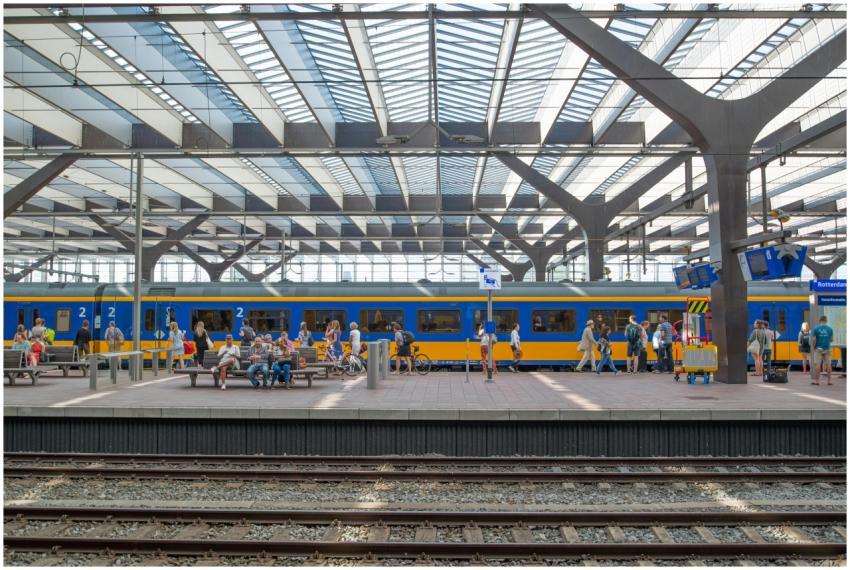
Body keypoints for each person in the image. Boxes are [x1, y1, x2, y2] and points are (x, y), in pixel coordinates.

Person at [811, 315, 834, 386]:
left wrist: (814, 347)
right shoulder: (830, 329)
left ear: (820, 321)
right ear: (826, 321)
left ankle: (817, 381)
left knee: (818, 364)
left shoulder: (816, 329)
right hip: (827, 348)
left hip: (818, 348)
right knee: (829, 364)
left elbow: (814, 339)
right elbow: (832, 339)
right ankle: (829, 381)